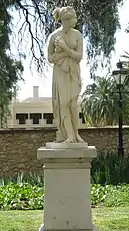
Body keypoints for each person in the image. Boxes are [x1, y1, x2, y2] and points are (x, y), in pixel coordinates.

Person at [47, 6, 84, 143]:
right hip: (60, 73)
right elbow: (50, 59)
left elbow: (79, 57)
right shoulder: (53, 36)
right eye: (73, 18)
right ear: (65, 20)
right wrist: (66, 52)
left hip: (73, 71)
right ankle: (69, 135)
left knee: (73, 104)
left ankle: (76, 133)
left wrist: (64, 48)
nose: (75, 20)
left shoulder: (78, 35)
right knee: (63, 104)